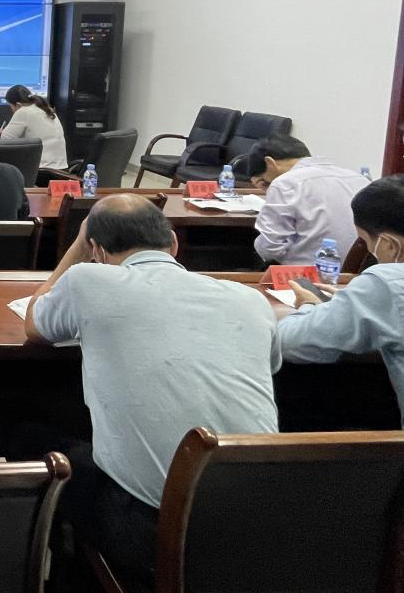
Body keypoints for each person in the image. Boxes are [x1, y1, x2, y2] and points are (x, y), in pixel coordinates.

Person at [23, 195, 279, 584]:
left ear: (96, 251)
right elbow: (268, 366)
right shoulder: (250, 299)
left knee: (29, 437)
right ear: (173, 243)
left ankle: (69, 577)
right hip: (261, 524)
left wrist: (76, 250)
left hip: (156, 533)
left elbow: (34, 323)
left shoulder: (87, 279)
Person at [278, 174, 404, 424]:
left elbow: (288, 343)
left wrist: (310, 305)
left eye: (366, 241)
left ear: (389, 244)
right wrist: (353, 301)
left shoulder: (387, 282)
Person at [247, 134, 368, 265]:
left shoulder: (284, 183)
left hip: (305, 273)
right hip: (357, 272)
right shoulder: (360, 179)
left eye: (264, 183)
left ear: (270, 163)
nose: (266, 189)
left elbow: (270, 248)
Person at [0, 84, 68, 170]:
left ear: (18, 104)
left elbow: (5, 140)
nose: (11, 110)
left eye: (11, 106)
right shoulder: (47, 109)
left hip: (41, 170)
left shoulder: (23, 111)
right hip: (61, 169)